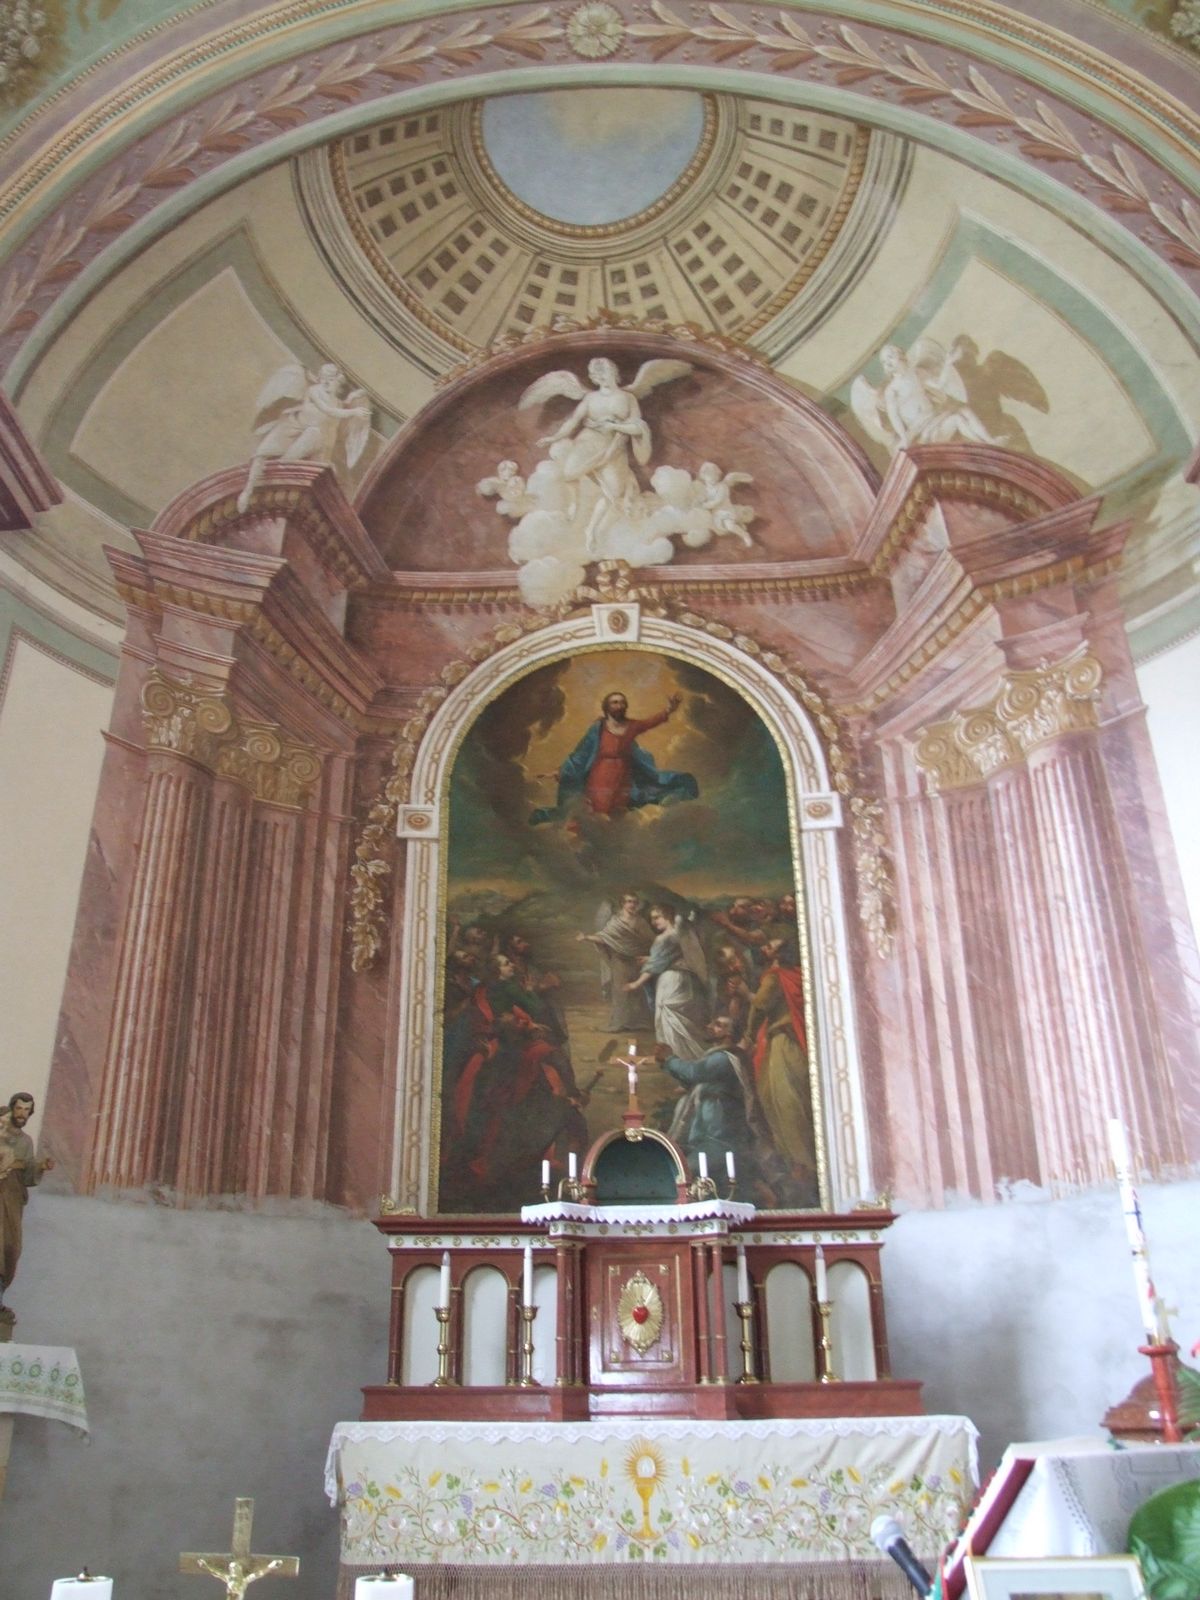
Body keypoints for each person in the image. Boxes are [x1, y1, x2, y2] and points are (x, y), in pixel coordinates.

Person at [530, 691, 698, 824]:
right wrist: (560, 771)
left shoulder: (632, 726)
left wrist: (669, 710)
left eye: (622, 702)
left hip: (623, 776)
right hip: (600, 775)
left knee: (617, 813)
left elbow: (650, 722)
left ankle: (611, 846)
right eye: (615, 702)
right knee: (596, 810)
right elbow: (581, 753)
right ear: (606, 707)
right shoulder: (598, 728)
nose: (619, 705)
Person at [745, 939, 818, 1202]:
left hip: (782, 1046)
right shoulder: (799, 976)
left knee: (781, 1101)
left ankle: (800, 1164)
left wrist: (748, 1035)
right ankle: (804, 1163)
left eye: (771, 945)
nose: (765, 947)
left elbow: (759, 1005)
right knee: (797, 1100)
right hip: (796, 1045)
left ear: (777, 954)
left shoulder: (775, 977)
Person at [656, 1016, 767, 1186]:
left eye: (717, 1025)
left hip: (721, 1140)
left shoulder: (725, 1059)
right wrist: (666, 1063)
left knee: (683, 1174)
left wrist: (670, 1059)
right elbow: (693, 1080)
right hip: (707, 1138)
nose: (709, 1026)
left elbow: (695, 1073)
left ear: (729, 1034)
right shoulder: (717, 1058)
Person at [626, 905, 709, 1060]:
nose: (653, 922)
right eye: (652, 919)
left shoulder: (663, 938)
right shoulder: (679, 934)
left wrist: (636, 983)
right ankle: (685, 1053)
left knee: (666, 1013)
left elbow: (655, 965)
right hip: (684, 979)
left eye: (657, 917)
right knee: (680, 1014)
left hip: (670, 980)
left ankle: (672, 1054)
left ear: (668, 916)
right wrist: (651, 959)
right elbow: (671, 957)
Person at [0, 1092, 52, 1306]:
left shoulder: (26, 1141)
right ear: (12, 1109)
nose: (22, 1113)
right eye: (19, 1108)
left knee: (11, 1248)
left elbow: (28, 1175)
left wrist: (41, 1166)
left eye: (27, 1110)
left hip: (12, 1198)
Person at [577, 892, 654, 1031]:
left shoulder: (640, 922)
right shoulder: (615, 921)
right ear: (623, 904)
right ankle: (618, 1024)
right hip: (619, 960)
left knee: (638, 992)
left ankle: (640, 1023)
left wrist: (649, 954)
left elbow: (651, 940)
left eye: (634, 902)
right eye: (629, 901)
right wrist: (586, 938)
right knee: (620, 992)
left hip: (636, 960)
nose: (632, 904)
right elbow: (604, 938)